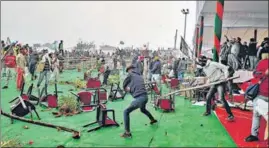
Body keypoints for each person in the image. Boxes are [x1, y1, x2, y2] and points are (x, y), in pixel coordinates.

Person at [121, 65, 157, 138]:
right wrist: (130, 88)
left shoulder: (130, 75)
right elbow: (136, 85)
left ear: (130, 70)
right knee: (143, 109)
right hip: (145, 97)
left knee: (126, 112)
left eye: (128, 71)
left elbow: (124, 85)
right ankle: (152, 120)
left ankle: (127, 133)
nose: (128, 72)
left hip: (140, 98)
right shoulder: (139, 76)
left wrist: (126, 88)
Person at [197, 55, 234, 121]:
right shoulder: (204, 68)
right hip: (214, 83)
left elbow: (225, 68)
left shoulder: (213, 64)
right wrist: (208, 82)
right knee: (208, 97)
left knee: (221, 99)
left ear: (203, 62)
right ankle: (208, 112)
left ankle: (230, 115)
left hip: (220, 82)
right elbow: (210, 76)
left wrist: (226, 77)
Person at [245, 56, 268, 142]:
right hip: (262, 94)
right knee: (256, 114)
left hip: (262, 94)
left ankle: (254, 135)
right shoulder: (264, 62)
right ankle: (254, 134)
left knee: (257, 114)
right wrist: (265, 73)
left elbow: (255, 73)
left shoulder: (264, 61)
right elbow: (255, 73)